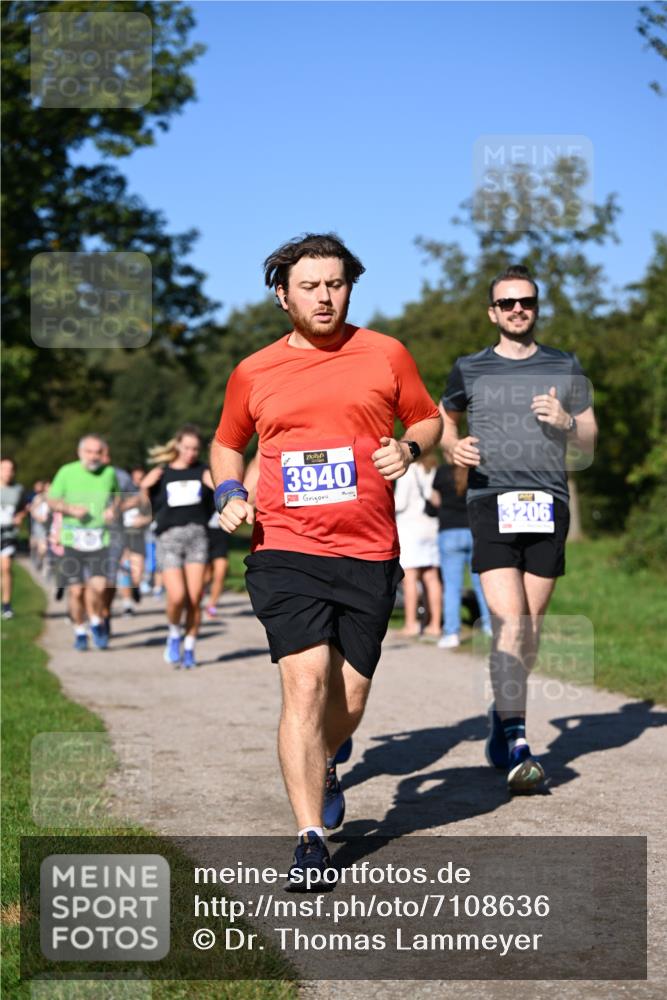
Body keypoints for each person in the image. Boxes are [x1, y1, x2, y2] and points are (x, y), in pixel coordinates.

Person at [211, 233, 441, 888]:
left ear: (349, 288)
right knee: (306, 681)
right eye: (309, 286)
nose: (324, 297)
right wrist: (228, 491)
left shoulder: (385, 353)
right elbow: (227, 444)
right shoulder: (254, 370)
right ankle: (309, 838)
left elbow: (426, 419)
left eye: (335, 284)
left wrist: (409, 449)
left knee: (351, 699)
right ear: (282, 296)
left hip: (368, 549)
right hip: (285, 546)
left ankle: (329, 757)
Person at [441, 264, 596, 792]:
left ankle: (502, 715)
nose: (516, 309)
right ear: (493, 312)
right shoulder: (469, 368)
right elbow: (444, 420)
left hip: (548, 503)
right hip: (490, 501)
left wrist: (567, 421)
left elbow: (590, 439)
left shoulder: (564, 364)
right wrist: (453, 447)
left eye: (525, 301)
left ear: (536, 307)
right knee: (508, 623)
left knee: (529, 627)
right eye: (506, 302)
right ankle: (518, 740)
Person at [141, 425, 214, 669]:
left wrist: (216, 481)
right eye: (186, 448)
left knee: (194, 598)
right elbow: (143, 507)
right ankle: (174, 633)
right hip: (169, 538)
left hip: (197, 537)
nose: (191, 453)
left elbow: (219, 492)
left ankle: (190, 647)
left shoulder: (203, 471)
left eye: (195, 449)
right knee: (177, 596)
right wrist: (144, 486)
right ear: (177, 446)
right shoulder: (162, 473)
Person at [47, 436, 120, 649]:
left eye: (98, 452)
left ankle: (96, 621)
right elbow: (51, 500)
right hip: (72, 540)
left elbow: (117, 497)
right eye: (89, 451)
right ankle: (80, 630)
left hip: (99, 539)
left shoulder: (109, 472)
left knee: (99, 587)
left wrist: (112, 509)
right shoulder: (66, 471)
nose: (94, 456)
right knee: (76, 590)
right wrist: (70, 509)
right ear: (80, 453)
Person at [430, 462, 491, 648]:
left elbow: (434, 501)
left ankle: (451, 633)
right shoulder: (479, 471)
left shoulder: (442, 472)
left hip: (449, 532)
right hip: (475, 532)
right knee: (482, 584)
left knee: (451, 586)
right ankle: (490, 627)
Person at [393, 455, 442, 638]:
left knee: (410, 578)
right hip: (432, 527)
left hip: (410, 528)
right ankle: (435, 625)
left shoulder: (408, 471)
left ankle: (411, 623)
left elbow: (401, 502)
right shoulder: (433, 470)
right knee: (431, 576)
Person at [1, 458, 28, 618]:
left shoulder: (18, 489)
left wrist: (20, 516)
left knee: (6, 567)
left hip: (8, 533)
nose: (7, 472)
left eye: (10, 469)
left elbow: (25, 507)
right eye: (4, 468)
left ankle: (6, 605)